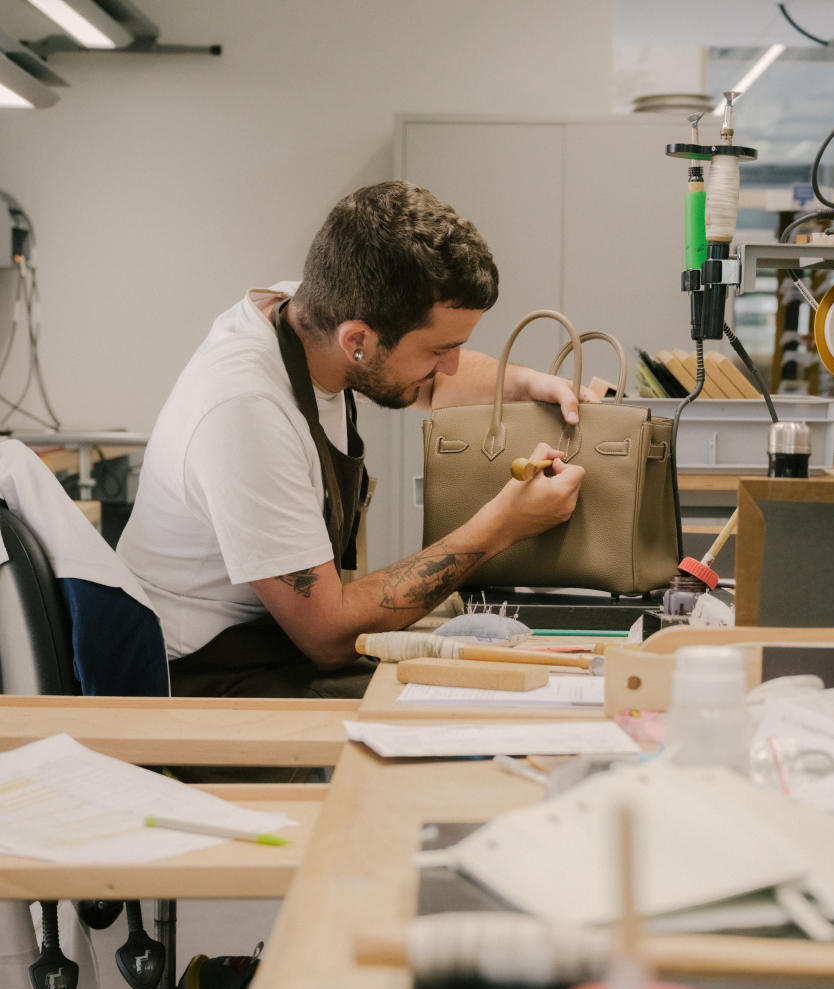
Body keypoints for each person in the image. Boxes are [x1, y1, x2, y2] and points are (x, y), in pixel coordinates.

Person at [118, 180, 588, 715]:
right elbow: (329, 635)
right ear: (357, 341)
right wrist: (503, 525)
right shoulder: (245, 411)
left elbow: (426, 382)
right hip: (205, 680)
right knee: (470, 714)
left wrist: (528, 384)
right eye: (442, 347)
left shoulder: (317, 313)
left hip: (280, 643)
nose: (454, 364)